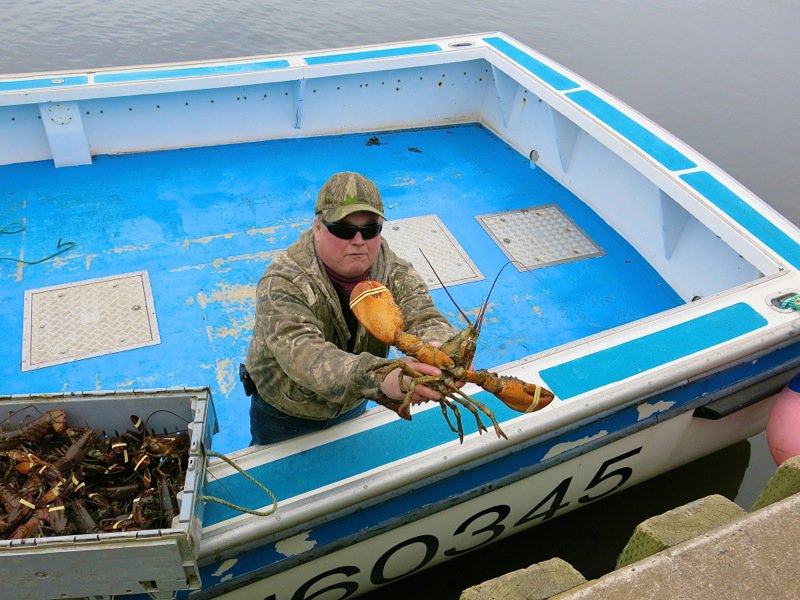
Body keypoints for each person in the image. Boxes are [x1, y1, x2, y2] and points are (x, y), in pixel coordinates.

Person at [243, 171, 456, 445]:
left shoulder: (393, 270)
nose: (358, 241)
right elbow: (307, 357)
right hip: (287, 414)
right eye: (343, 229)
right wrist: (382, 377)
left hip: (355, 401)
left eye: (370, 230)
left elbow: (423, 313)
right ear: (318, 227)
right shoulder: (283, 281)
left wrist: (440, 348)